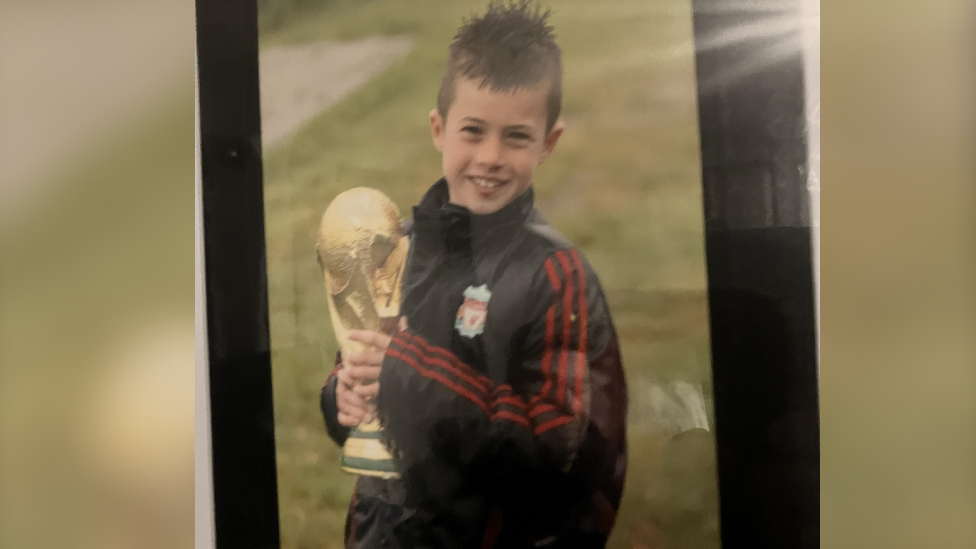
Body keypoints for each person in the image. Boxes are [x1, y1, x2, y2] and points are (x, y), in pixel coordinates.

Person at [320, 2, 627, 547]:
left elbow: (566, 459)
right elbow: (362, 358)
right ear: (439, 129)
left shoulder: (556, 275)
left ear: (548, 143)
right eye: (473, 130)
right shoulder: (399, 247)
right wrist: (342, 395)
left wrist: (412, 377)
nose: (490, 156)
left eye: (516, 137)